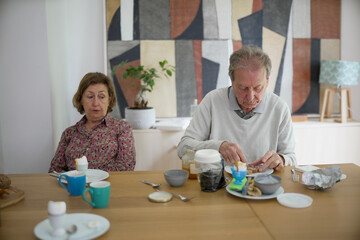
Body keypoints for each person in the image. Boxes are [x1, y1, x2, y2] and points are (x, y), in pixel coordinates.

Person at [177, 45, 296, 171]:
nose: (250, 97)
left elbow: (291, 158)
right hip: (218, 184)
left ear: (267, 81)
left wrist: (281, 159)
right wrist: (218, 146)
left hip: (264, 186)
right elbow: (182, 149)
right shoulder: (212, 101)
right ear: (232, 81)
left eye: (257, 88)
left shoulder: (279, 108)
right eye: (243, 88)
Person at [49, 72, 136, 172]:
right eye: (90, 97)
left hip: (108, 186)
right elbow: (54, 169)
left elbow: (126, 166)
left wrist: (89, 176)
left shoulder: (122, 128)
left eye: (101, 97)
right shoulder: (69, 133)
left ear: (109, 100)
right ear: (81, 100)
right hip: (73, 186)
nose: (95, 103)